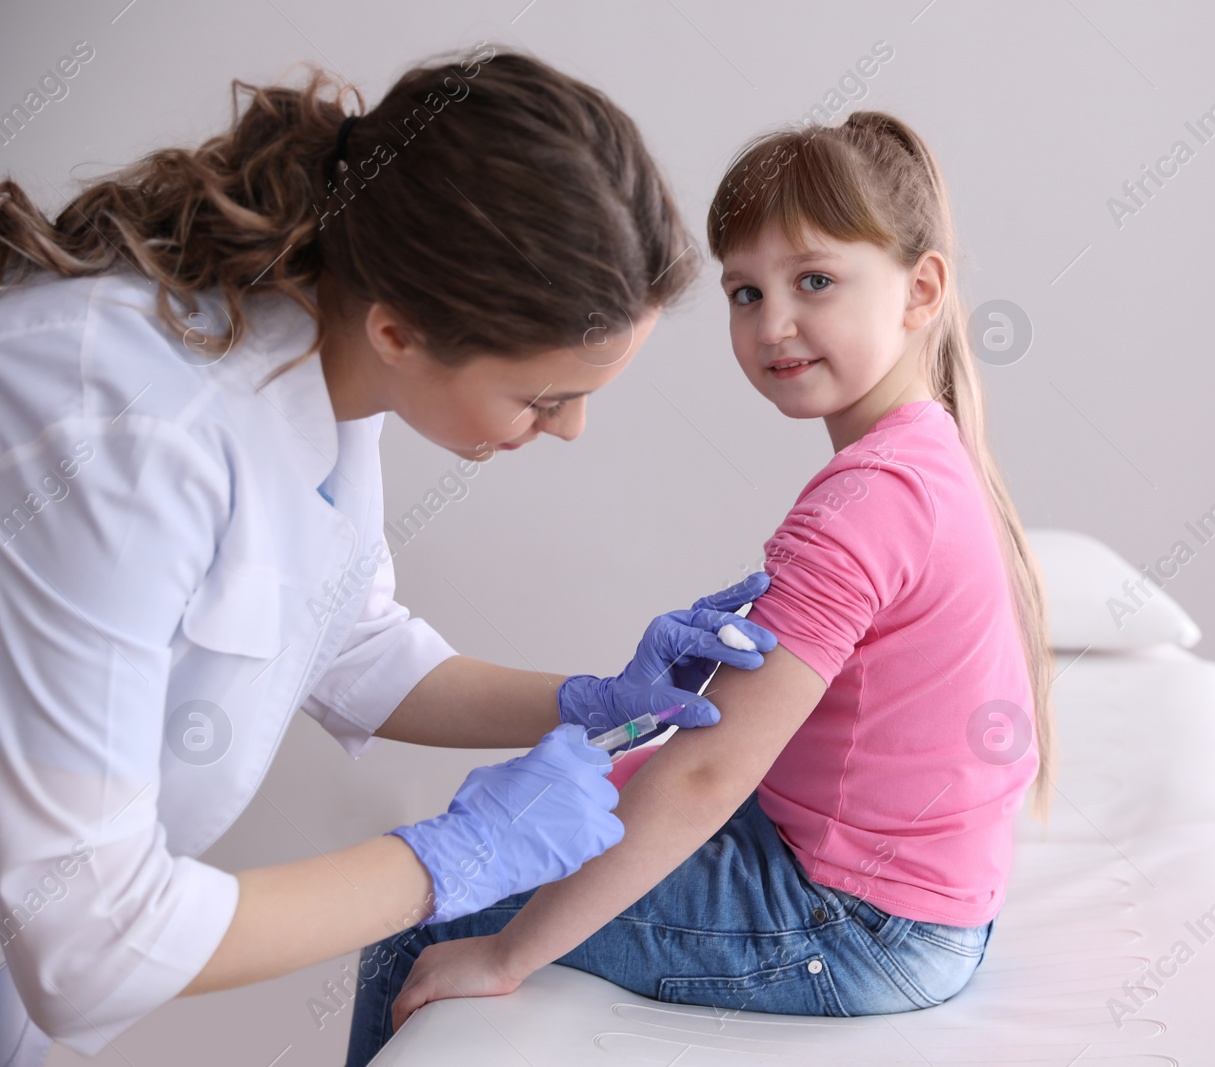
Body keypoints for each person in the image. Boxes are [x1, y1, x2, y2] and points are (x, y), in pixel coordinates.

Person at [0, 42, 778, 1067]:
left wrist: (590, 698)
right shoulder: (128, 431)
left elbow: (345, 639)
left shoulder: (326, 357)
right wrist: (451, 857)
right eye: (544, 397)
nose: (571, 429)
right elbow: (90, 937)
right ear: (402, 329)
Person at [347, 110, 1055, 1062]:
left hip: (853, 926)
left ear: (921, 289)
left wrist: (509, 952)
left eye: (815, 281)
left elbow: (713, 774)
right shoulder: (926, 458)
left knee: (420, 913)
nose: (775, 324)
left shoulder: (864, 503)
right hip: (917, 904)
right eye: (744, 291)